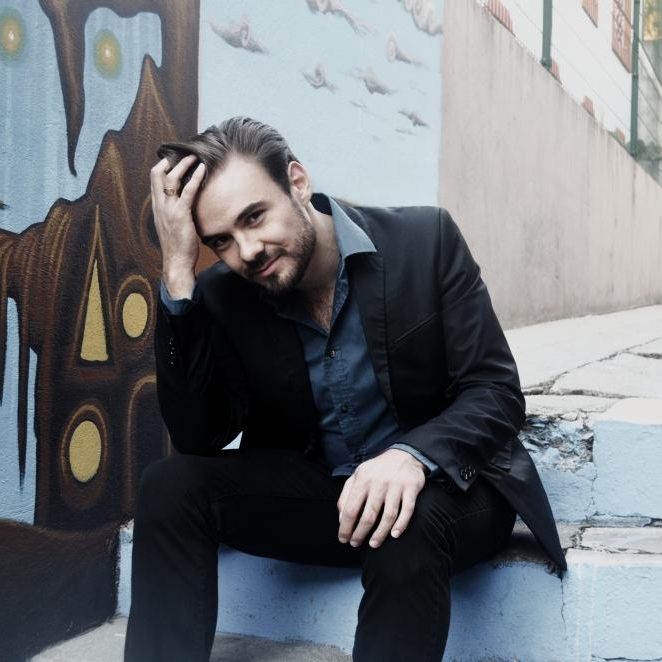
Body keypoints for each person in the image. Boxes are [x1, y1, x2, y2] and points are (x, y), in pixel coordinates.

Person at [124, 116, 565, 662]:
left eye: (254, 217)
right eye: (222, 241)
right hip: (322, 494)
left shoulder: (424, 241)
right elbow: (199, 436)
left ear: (297, 182)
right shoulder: (225, 292)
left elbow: (496, 391)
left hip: (448, 491)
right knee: (168, 485)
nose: (247, 250)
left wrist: (411, 456)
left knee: (404, 522)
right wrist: (177, 273)